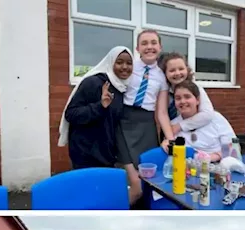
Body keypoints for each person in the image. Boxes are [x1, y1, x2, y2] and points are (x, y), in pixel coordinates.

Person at [117, 30, 175, 204]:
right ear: (137, 48)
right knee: (130, 177)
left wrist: (171, 139)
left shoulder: (162, 77)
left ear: (160, 46)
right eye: (144, 43)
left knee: (147, 175)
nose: (149, 47)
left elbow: (162, 112)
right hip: (123, 122)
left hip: (147, 126)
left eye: (153, 43)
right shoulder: (129, 67)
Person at [58, 46, 133, 169]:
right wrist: (99, 106)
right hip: (85, 156)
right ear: (110, 62)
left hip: (106, 156)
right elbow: (71, 114)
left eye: (129, 63)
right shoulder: (93, 83)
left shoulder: (121, 88)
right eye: (119, 62)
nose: (125, 67)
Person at [170, 81, 236, 161]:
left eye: (187, 97)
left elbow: (232, 146)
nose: (183, 101)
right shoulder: (172, 125)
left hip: (219, 166)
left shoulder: (216, 118)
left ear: (197, 100)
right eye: (178, 98)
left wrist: (215, 156)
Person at [158, 52, 215, 142]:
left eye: (181, 69)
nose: (177, 73)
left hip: (194, 134)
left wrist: (180, 126)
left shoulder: (196, 88)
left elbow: (207, 114)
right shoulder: (163, 92)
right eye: (172, 70)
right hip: (169, 133)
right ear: (165, 73)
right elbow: (161, 114)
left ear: (187, 70)